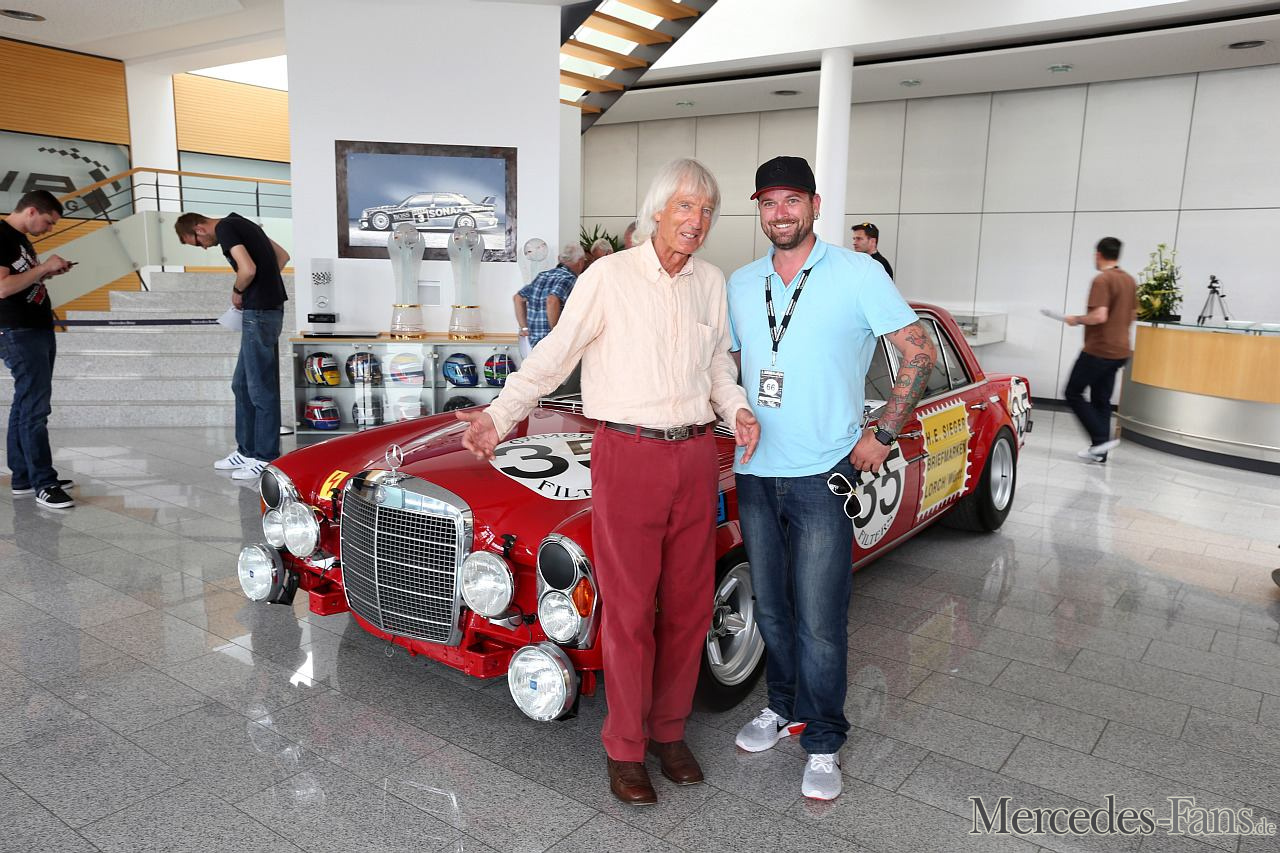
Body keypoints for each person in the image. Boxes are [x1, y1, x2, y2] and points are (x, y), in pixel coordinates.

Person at [456, 158, 760, 807]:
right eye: (685, 206)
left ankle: (669, 732)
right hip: (628, 452)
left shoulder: (710, 282)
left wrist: (735, 408)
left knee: (689, 606)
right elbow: (553, 355)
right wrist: (499, 415)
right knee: (628, 611)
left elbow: (718, 366)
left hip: (696, 454)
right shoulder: (608, 277)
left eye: (706, 210)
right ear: (657, 211)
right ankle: (625, 746)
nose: (697, 221)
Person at [728, 156, 936, 801]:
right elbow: (731, 363)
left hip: (823, 474)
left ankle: (823, 739)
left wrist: (884, 432)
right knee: (772, 607)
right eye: (769, 202)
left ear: (815, 205)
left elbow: (919, 350)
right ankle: (782, 706)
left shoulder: (858, 273)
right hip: (755, 470)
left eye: (792, 200)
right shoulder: (741, 282)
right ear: (758, 210)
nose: (780, 213)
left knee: (820, 618)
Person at [175, 212, 290, 480]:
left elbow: (247, 269)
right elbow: (283, 256)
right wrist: (264, 286)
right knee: (241, 384)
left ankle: (265, 457)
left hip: (260, 313)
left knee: (260, 388)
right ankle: (246, 451)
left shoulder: (226, 228)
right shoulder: (241, 223)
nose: (204, 248)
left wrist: (239, 291)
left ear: (199, 229)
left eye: (198, 243)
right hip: (263, 310)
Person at [0, 191, 76, 509]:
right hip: (18, 331)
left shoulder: (19, 239)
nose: (48, 229)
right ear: (31, 211)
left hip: (34, 328)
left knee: (25, 403)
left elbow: (21, 281)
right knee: (35, 407)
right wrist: (43, 267)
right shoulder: (1, 235)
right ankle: (44, 483)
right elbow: (2, 287)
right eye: (48, 222)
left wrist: (45, 272)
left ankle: (23, 477)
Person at [1063, 236, 1137, 463]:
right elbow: (1133, 314)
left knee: (1073, 392)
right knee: (1101, 399)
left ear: (1098, 254)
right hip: (1121, 351)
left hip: (1099, 350)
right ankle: (1099, 451)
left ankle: (1101, 440)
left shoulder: (1102, 280)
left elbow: (1099, 316)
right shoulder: (1129, 280)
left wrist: (1076, 319)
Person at [514, 243, 586, 348]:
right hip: (551, 345)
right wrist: (555, 333)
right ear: (580, 262)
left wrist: (524, 328)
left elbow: (518, 298)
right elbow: (552, 300)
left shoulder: (543, 275)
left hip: (533, 343)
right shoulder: (569, 278)